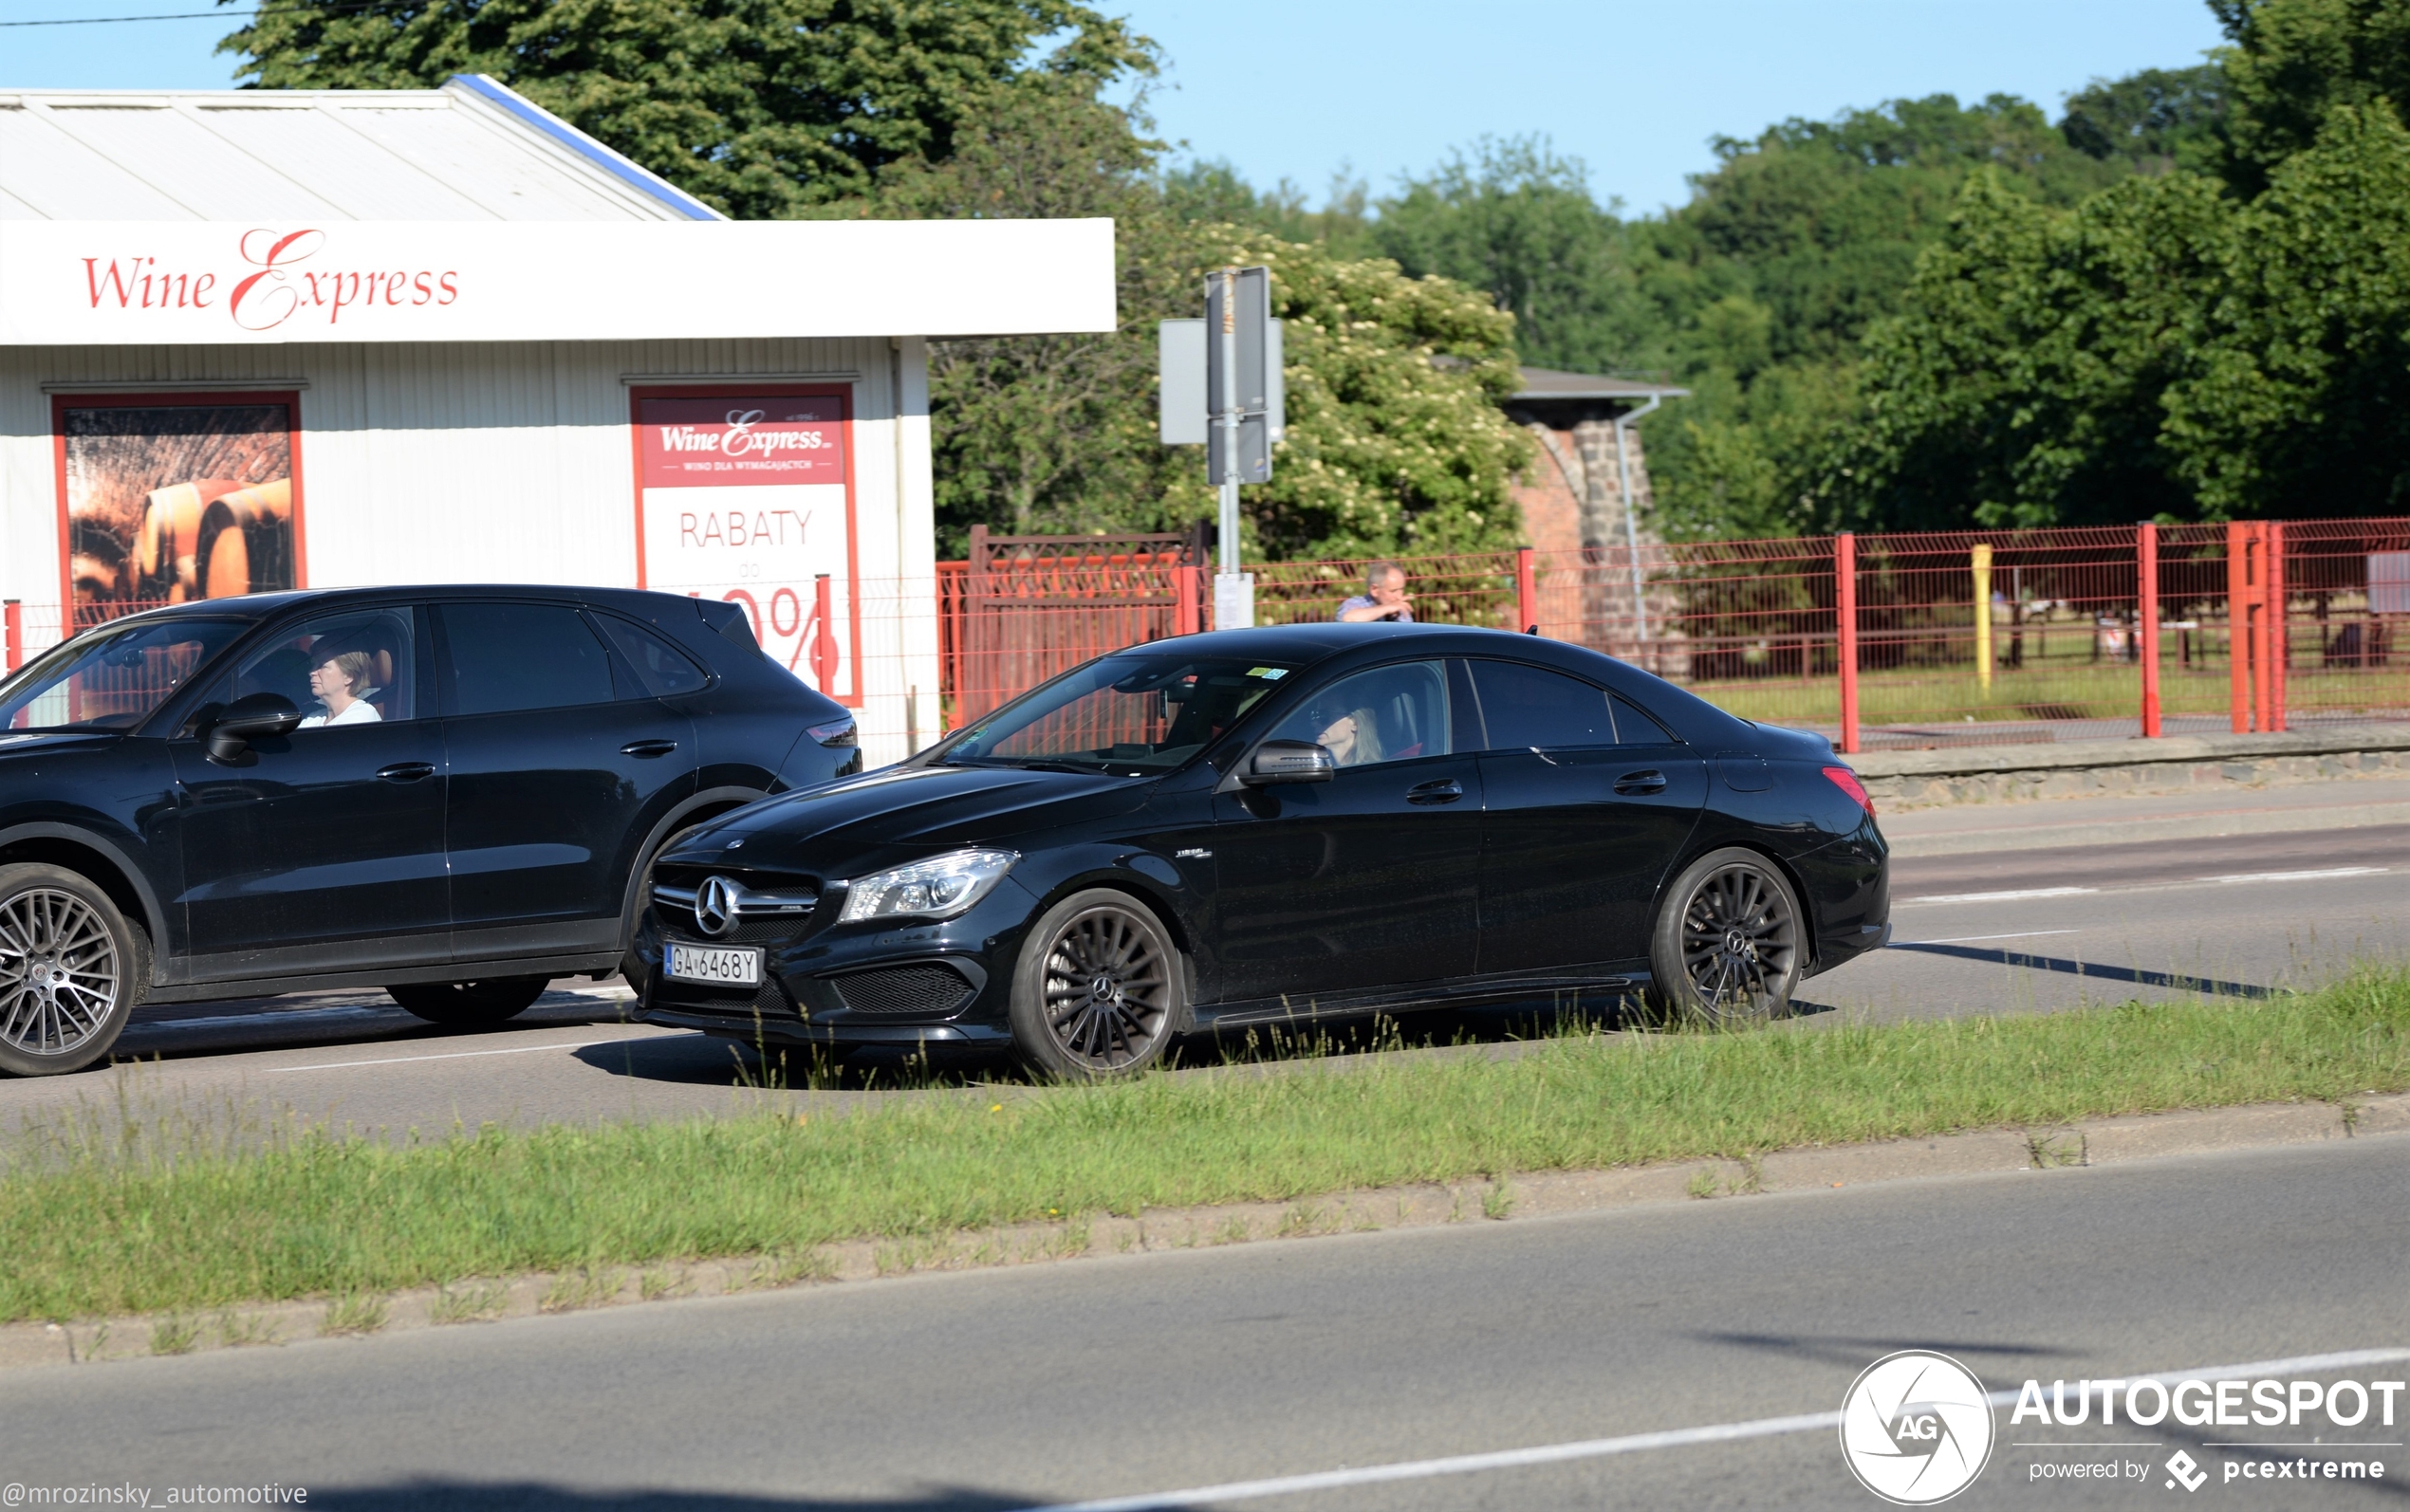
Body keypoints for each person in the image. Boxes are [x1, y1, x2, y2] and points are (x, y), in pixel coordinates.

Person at [299, 647, 381, 728]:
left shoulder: (362, 717)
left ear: (349, 676)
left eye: (322, 666)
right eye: (314, 665)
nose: (312, 672)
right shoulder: (314, 718)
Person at [1335, 562, 1413, 623]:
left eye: (1401, 589)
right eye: (1393, 591)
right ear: (1374, 590)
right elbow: (1348, 619)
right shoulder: (1355, 604)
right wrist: (1386, 608)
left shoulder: (1399, 608)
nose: (1399, 596)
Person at [1315, 706, 1385, 767]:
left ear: (1355, 723)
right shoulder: (1320, 772)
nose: (1315, 723)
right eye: (1315, 715)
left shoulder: (1371, 772)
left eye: (1326, 715)